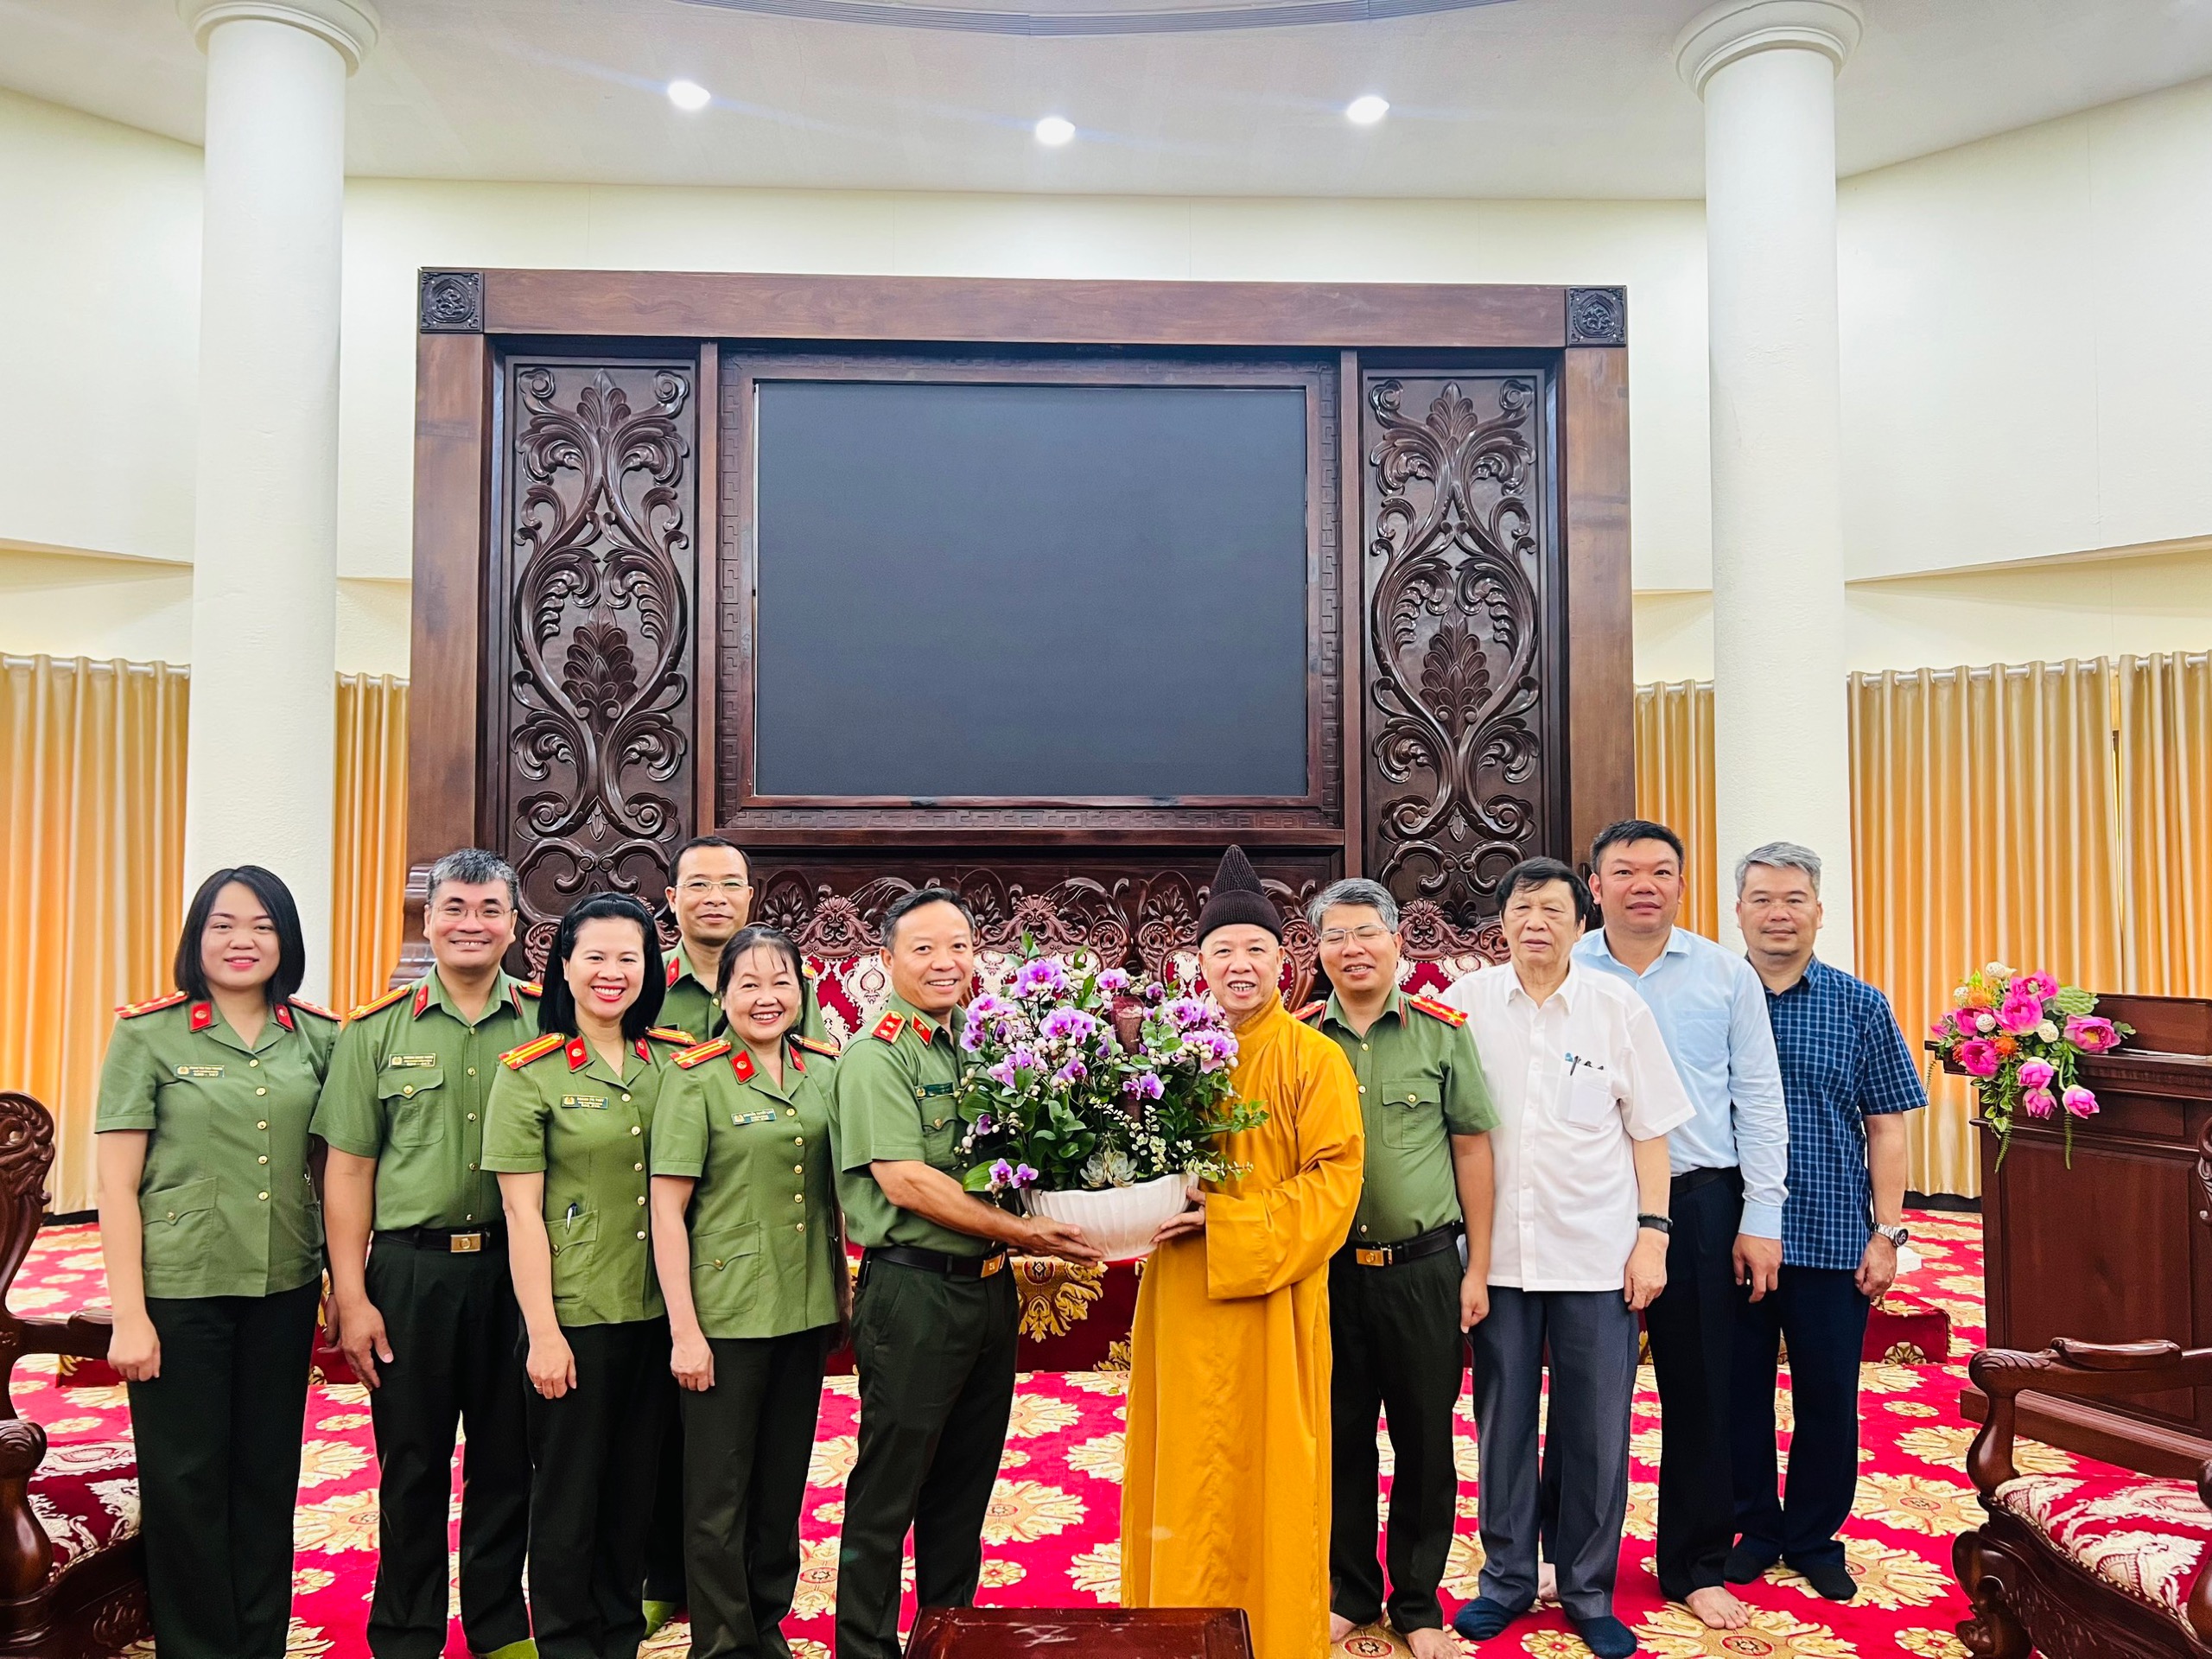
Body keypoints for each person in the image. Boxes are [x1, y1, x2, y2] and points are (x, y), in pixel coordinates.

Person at [831, 887, 1102, 1659]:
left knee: (964, 1486)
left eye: (959, 945)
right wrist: (1025, 1232)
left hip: (986, 1292)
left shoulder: (976, 1046)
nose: (945, 962)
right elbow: (905, 1180)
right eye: (922, 948)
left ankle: (945, 1634)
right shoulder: (878, 1053)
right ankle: (865, 1648)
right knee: (891, 1488)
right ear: (885, 962)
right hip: (913, 1292)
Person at [1441, 858, 1693, 1659]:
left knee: (1595, 1432)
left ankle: (1587, 1590)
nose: (1537, 922)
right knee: (1502, 1427)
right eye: (1523, 908)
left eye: (1555, 909)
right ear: (1503, 922)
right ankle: (1507, 1582)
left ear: (1581, 926)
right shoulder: (1462, 1006)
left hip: (1596, 1258)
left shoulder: (1617, 1008)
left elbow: (1651, 1133)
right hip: (1499, 1261)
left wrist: (1653, 1235)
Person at [1122, 845, 1365, 1659]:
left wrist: (1225, 1222)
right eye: (1222, 950)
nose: (1239, 964)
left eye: (1255, 949)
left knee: (1274, 1474)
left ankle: (1277, 1637)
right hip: (1183, 1297)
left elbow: (1336, 1187)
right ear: (1198, 964)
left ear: (1283, 962)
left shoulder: (1314, 1058)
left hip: (1275, 1299)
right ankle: (1173, 1635)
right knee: (1185, 1475)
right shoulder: (1165, 1055)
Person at [93, 865, 340, 1659]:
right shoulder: (148, 1034)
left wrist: (341, 1278)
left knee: (267, 1477)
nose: (243, 941)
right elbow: (116, 1184)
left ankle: (260, 1641)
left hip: (284, 1284)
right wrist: (129, 1314)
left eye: (263, 926)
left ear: (286, 941)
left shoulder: (319, 1037)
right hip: (179, 1290)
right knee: (187, 1482)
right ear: (196, 938)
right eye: (224, 925)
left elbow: (329, 1173)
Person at [313, 848, 540, 1659]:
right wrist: (352, 1292)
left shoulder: (549, 1023)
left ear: (514, 924)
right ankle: (405, 1630)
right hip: (410, 1272)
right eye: (455, 908)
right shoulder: (375, 1031)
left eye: (488, 910)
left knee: (508, 1460)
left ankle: (497, 1625)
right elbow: (348, 1168)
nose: (470, 924)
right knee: (412, 1462)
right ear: (429, 919)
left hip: (521, 1271)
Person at [1573, 818, 1789, 1631]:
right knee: (1585, 1391)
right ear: (1594, 885)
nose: (1644, 885)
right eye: (1624, 871)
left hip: (1702, 1203)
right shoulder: (1565, 964)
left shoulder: (1725, 976)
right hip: (1590, 1200)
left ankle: (1695, 1564)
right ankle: (1570, 1557)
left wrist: (1761, 1215)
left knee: (1704, 1390)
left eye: (1661, 872)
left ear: (1683, 886)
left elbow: (1759, 1098)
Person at [482, 892, 696, 1659]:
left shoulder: (674, 1062)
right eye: (595, 957)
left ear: (652, 969)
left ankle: (618, 1635)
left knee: (634, 1491)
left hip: (659, 1314)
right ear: (563, 968)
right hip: (576, 1313)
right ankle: (569, 1642)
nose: (612, 973)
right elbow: (520, 1215)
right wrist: (542, 1331)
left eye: (628, 958)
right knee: (569, 1497)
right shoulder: (529, 1074)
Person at [1297, 878, 1497, 1659]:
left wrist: (1476, 1268)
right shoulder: (1306, 1038)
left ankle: (1417, 1603)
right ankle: (1350, 1589)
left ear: (1395, 942)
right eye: (1336, 937)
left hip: (1423, 1270)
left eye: (1366, 933)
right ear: (1319, 951)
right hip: (1332, 1271)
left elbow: (1473, 1150)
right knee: (1341, 1437)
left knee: (1423, 1441)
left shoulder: (1442, 1033)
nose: (1353, 950)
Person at [1729, 842, 1925, 1600]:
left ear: (1819, 910)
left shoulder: (1860, 1005)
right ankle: (1754, 1527)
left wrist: (1890, 1232)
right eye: (1763, 899)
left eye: (1794, 899)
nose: (1779, 913)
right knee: (1737, 1394)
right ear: (1738, 910)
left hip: (1833, 1236)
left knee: (1827, 1398)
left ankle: (1813, 1535)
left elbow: (1888, 1127)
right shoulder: (1713, 996)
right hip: (1735, 1240)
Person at [646, 836, 828, 1630]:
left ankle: (767, 1623)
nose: (764, 995)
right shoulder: (695, 1081)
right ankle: (721, 1642)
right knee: (716, 1491)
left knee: (781, 1486)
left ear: (799, 992)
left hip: (807, 1308)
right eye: (747, 983)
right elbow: (665, 1210)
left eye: (779, 981)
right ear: (722, 997)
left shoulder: (824, 1071)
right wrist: (684, 1328)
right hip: (724, 1315)